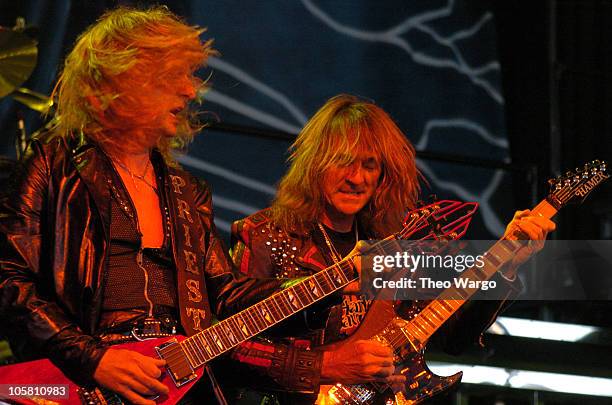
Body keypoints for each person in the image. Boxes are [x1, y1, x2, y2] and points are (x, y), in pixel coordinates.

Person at [0, 7, 289, 405]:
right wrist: (93, 359)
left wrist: (343, 282)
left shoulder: (188, 190)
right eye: (174, 76)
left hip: (178, 378)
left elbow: (225, 291)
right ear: (123, 77)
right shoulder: (53, 165)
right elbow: (8, 278)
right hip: (85, 379)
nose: (190, 91)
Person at [225, 94, 556, 404]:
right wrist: (328, 366)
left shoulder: (395, 246)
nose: (357, 178)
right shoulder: (266, 234)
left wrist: (507, 267)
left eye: (369, 165)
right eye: (343, 162)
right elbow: (232, 348)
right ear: (316, 164)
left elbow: (454, 336)